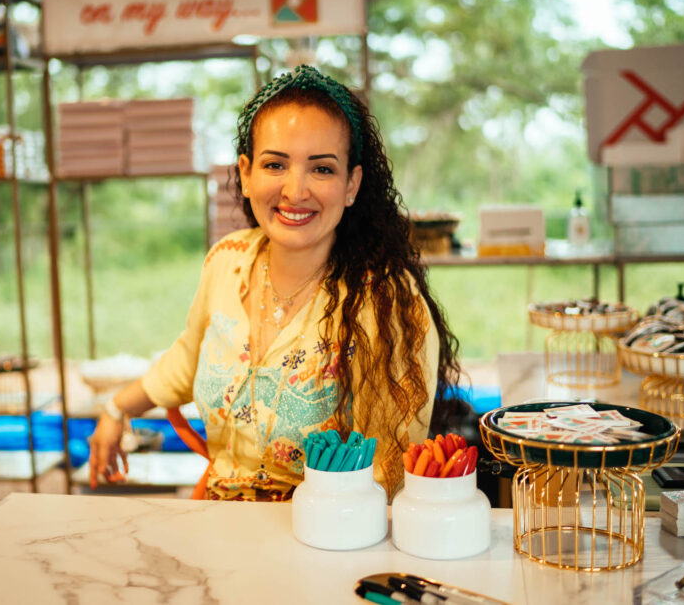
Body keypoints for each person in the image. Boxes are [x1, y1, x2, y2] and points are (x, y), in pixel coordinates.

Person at [89, 65, 461, 500]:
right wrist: (115, 410)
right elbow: (187, 360)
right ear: (245, 174)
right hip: (218, 528)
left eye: (321, 169)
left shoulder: (385, 299)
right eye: (275, 164)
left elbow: (391, 472)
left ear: (351, 184)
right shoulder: (227, 261)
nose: (295, 190)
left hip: (326, 542)